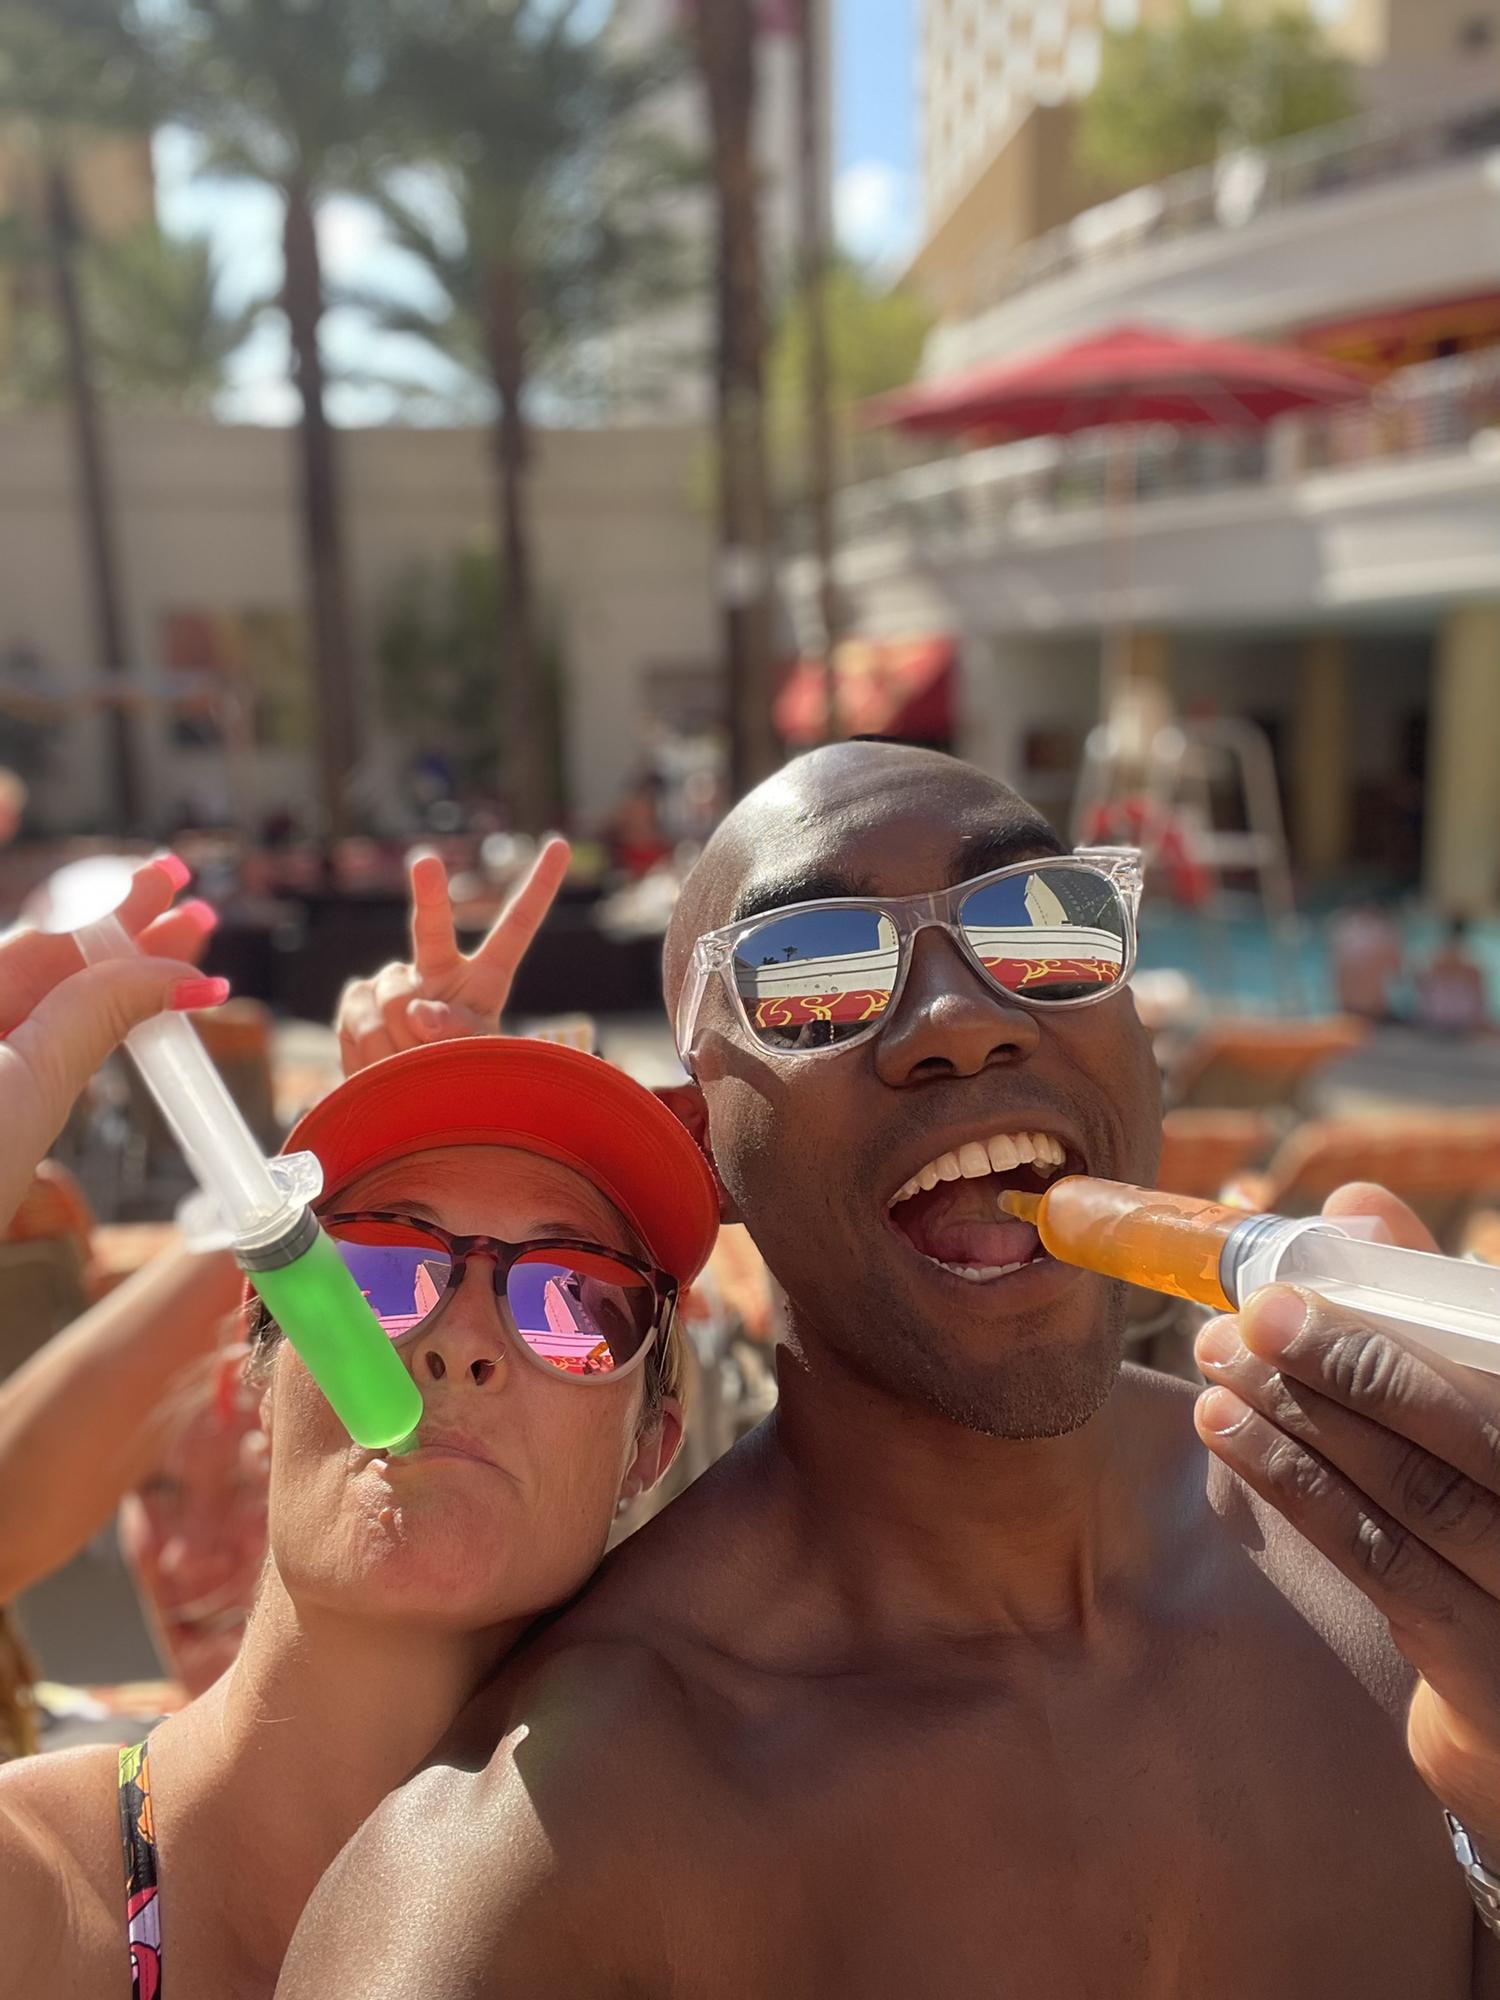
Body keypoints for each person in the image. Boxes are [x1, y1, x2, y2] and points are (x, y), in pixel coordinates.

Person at [281, 744, 1500, 1999]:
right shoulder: (549, 1847)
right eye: (815, 971)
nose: (964, 1018)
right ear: (706, 1150)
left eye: (1044, 927)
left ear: (1143, 1049)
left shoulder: (1401, 1559)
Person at [0, 1033, 718, 1998]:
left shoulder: (714, 1938)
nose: (462, 1341)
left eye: (571, 1299)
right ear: (259, 1373)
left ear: (648, 1449)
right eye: (380, 1270)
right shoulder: (33, 1889)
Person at [1417, 918, 1488, 1035]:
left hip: (1437, 1014)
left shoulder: (1436, 961)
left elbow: (1423, 987)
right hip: (1461, 1016)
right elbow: (1479, 996)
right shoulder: (1469, 964)